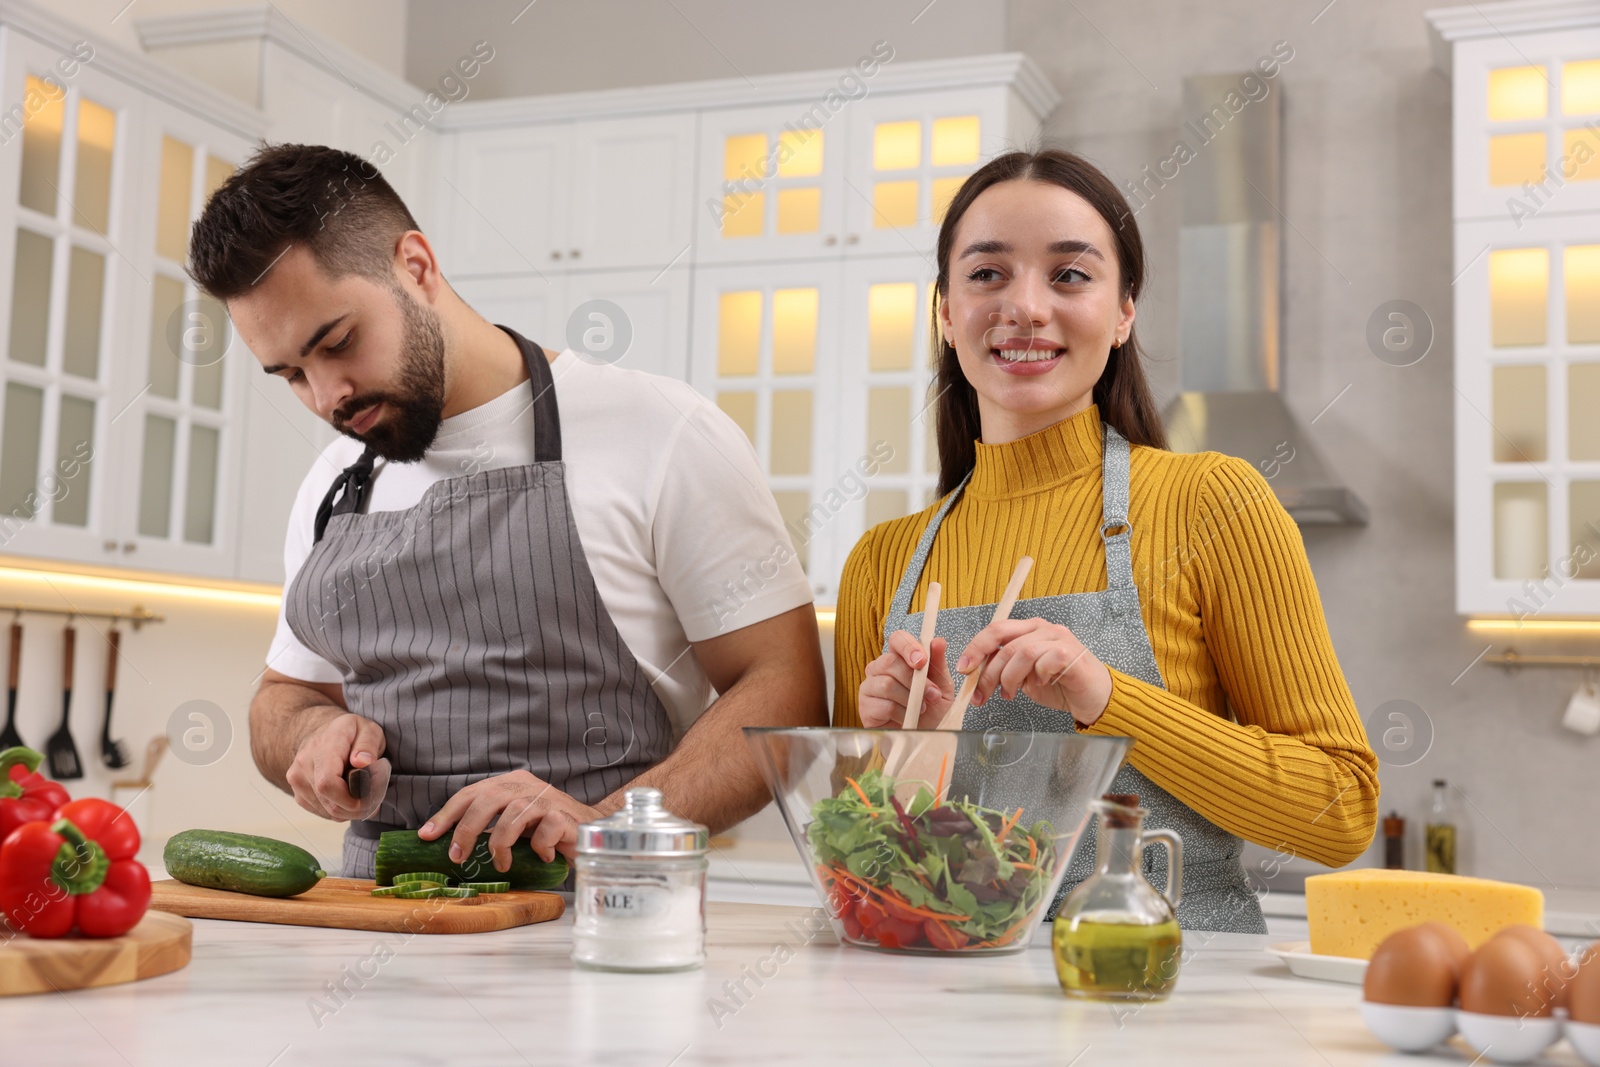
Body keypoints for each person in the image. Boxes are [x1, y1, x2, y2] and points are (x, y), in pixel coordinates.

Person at [188, 144, 827, 880]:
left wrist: (608, 830)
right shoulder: (333, 483)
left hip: (596, 923)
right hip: (370, 934)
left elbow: (786, 687)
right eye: (291, 374)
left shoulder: (661, 428)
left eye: (338, 342)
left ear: (416, 266)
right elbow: (284, 694)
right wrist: (313, 731)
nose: (327, 395)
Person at [832, 148, 1378, 932]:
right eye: (987, 274)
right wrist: (904, 758)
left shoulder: (1211, 505)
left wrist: (1108, 699)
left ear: (1125, 311)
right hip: (952, 1005)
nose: (1025, 307)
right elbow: (862, 874)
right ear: (946, 314)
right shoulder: (880, 564)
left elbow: (1339, 811)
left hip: (1171, 1001)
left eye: (1069, 275)